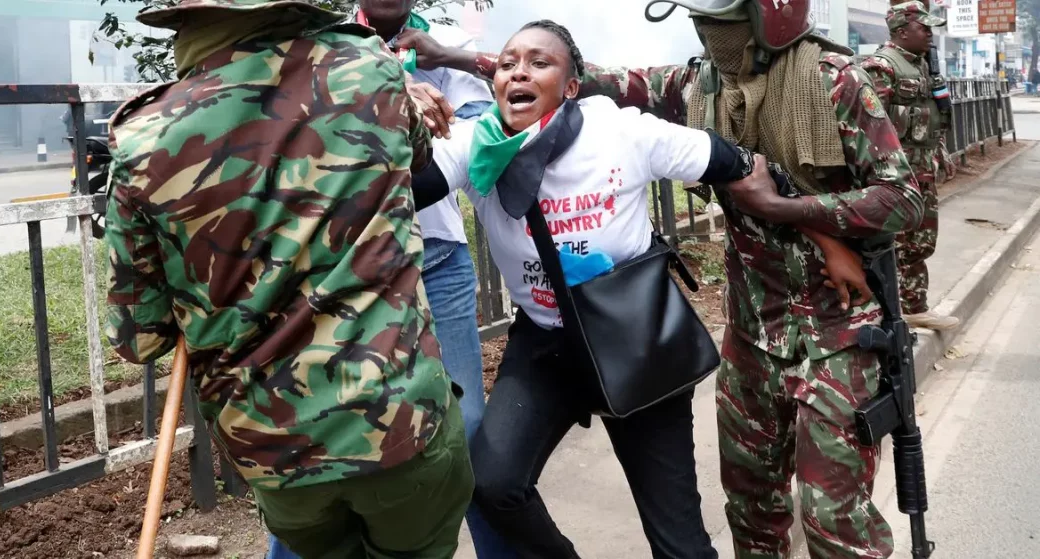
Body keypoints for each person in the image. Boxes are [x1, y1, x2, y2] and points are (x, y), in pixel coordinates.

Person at [397, 1, 925, 557]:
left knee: (765, 531)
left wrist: (823, 233)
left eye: (724, 22)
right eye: (508, 64)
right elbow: (420, 180)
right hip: (609, 337)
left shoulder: (826, 83)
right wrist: (403, 95)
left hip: (688, 334)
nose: (518, 72)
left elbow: (759, 171)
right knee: (746, 509)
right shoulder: (487, 139)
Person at [102, 1, 474, 557]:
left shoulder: (141, 140)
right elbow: (419, 156)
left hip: (273, 453)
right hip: (401, 426)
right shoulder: (372, 70)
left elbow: (141, 338)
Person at [262, 1, 509, 557]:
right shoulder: (321, 40)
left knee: (467, 426)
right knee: (322, 432)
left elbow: (479, 135)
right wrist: (388, 94)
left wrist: (451, 60)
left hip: (436, 258)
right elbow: (294, 132)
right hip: (340, 269)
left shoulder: (445, 45)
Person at [863, 0, 960, 331]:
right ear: (902, 31)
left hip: (923, 170)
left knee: (920, 242)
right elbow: (871, 127)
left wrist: (941, 152)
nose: (930, 34)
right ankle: (893, 309)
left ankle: (914, 306)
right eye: (924, 28)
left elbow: (932, 118)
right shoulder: (882, 67)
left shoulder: (922, 66)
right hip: (897, 176)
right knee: (896, 242)